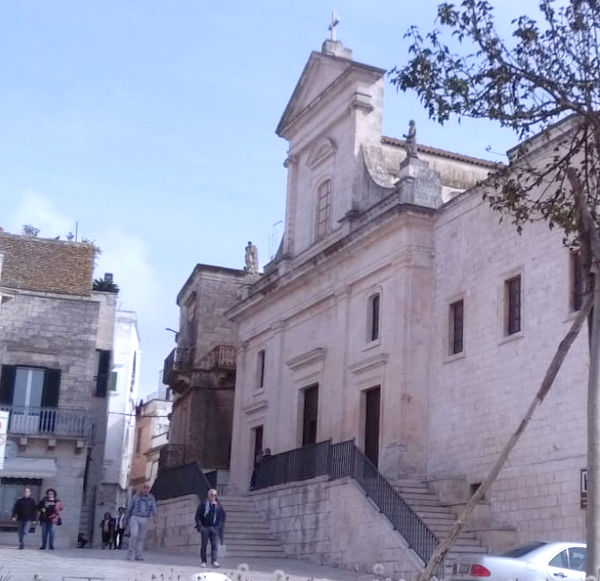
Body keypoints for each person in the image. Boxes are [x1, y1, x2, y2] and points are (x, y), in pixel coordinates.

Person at [195, 488, 225, 568]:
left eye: (215, 495)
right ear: (208, 495)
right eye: (211, 495)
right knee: (204, 545)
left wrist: (218, 526)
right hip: (205, 527)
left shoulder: (218, 506)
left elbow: (221, 517)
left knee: (214, 545)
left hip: (214, 528)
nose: (213, 496)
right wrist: (200, 526)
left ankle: (214, 561)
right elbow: (198, 516)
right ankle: (203, 561)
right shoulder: (203, 504)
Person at [127, 483, 157, 561]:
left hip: (145, 518)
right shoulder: (135, 497)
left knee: (141, 538)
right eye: (144, 487)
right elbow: (130, 507)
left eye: (147, 488)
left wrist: (155, 516)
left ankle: (138, 555)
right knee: (134, 535)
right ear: (141, 489)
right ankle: (130, 553)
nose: (146, 489)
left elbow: (154, 507)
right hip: (135, 517)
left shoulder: (151, 498)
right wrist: (127, 517)